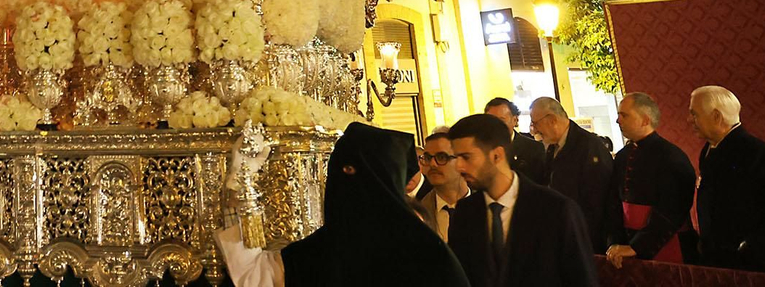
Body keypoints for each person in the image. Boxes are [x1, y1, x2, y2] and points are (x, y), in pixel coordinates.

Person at [217, 122, 470, 287]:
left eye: (347, 170)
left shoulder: (326, 251)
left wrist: (241, 183)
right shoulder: (428, 249)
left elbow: (251, 276)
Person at [446, 113, 598, 287]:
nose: (459, 167)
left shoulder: (556, 210)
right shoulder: (465, 213)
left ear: (497, 155)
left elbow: (582, 279)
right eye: (456, 158)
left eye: (466, 157)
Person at [690, 84, 765, 276]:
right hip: (725, 260)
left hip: (760, 264)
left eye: (694, 114)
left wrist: (748, 247)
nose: (690, 120)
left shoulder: (758, 153)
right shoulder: (709, 150)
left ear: (717, 117)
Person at [604, 91, 696, 269]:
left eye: (624, 115)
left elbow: (672, 211)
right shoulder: (623, 156)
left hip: (665, 242)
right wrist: (615, 241)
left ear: (645, 120)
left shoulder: (671, 157)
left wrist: (637, 246)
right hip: (628, 242)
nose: (618, 120)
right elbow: (614, 203)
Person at [529, 96, 612, 254]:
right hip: (561, 235)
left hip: (583, 239)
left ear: (552, 119)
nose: (533, 129)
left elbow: (597, 203)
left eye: (535, 123)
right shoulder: (553, 146)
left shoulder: (589, 147)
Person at [416, 127, 471, 244]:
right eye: (427, 158)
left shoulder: (488, 204)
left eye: (441, 157)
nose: (432, 164)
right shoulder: (419, 212)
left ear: (461, 161)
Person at [485, 98, 546, 182]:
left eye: (501, 120)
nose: (495, 125)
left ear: (515, 120)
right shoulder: (481, 148)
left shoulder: (533, 148)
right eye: (490, 121)